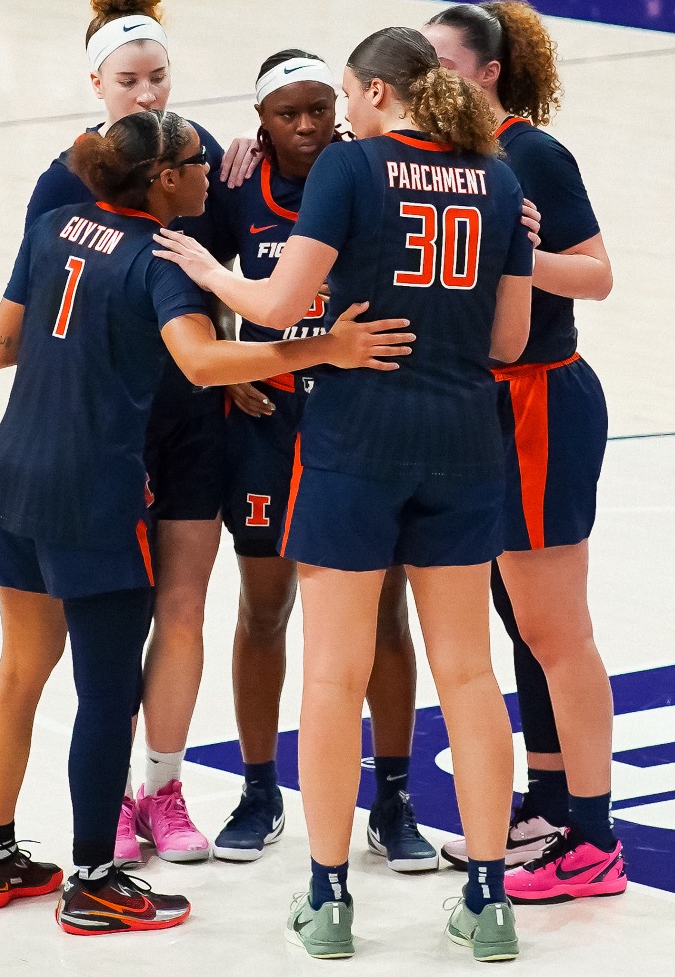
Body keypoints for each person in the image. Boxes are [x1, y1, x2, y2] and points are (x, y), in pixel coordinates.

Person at [0, 108, 412, 935]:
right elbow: (204, 362)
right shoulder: (161, 259)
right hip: (95, 492)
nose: (213, 171)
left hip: (12, 476)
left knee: (19, 669)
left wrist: (83, 346)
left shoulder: (58, 224)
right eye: (199, 162)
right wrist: (323, 349)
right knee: (106, 693)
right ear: (163, 178)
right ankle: (96, 879)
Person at [152, 27, 532, 962]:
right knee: (472, 674)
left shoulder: (353, 172)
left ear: (369, 94)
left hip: (357, 441)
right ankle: (488, 899)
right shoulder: (500, 179)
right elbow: (511, 344)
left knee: (331, 672)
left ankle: (328, 898)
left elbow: (279, 308)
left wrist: (206, 271)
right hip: (462, 442)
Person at [202, 49, 435, 871]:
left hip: (358, 424)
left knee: (382, 616)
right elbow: (199, 283)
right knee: (263, 609)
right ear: (259, 122)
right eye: (284, 113)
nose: (304, 125)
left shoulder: (371, 171)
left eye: (316, 109)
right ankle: (260, 786)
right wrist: (232, 361)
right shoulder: (235, 185)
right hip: (269, 424)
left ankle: (397, 793)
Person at [23, 0, 231, 870]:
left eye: (157, 77)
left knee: (182, 604)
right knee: (104, 633)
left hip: (190, 413)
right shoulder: (61, 181)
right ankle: (101, 799)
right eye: (128, 80)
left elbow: (225, 280)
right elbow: (25, 323)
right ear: (96, 85)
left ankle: (165, 784)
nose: (146, 92)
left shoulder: (202, 157)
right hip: (106, 432)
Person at [420, 1, 621, 902]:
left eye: (444, 65)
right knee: (514, 619)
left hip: (540, 397)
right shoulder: (439, 160)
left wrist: (511, 259)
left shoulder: (530, 152)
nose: (429, 83)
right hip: (482, 402)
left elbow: (597, 273)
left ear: (489, 71)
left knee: (555, 628)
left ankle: (595, 839)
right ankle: (546, 802)